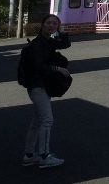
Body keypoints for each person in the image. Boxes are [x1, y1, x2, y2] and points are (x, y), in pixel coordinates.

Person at [19, 14, 70, 169]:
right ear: (42, 25)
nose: (51, 25)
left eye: (55, 23)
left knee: (38, 121)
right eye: (48, 23)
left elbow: (65, 44)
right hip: (37, 86)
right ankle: (44, 156)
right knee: (47, 120)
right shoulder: (38, 44)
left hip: (42, 86)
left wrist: (61, 32)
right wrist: (58, 69)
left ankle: (29, 155)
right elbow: (39, 66)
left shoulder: (47, 41)